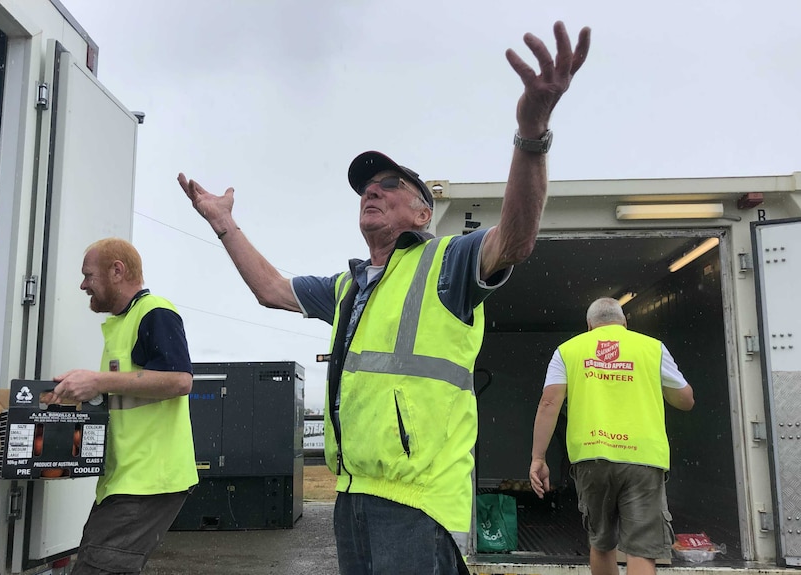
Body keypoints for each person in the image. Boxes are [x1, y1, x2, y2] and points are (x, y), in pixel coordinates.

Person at [178, 21, 590, 575]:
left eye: (389, 184)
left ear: (424, 213)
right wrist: (224, 224)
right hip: (352, 493)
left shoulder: (447, 261)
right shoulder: (349, 286)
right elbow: (271, 290)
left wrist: (532, 132)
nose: (372, 190)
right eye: (367, 187)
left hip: (417, 502)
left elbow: (514, 239)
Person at [47, 238, 198, 574]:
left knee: (97, 566)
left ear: (117, 271)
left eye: (88, 275)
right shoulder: (120, 325)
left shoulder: (155, 311)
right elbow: (129, 395)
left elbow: (180, 381)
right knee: (94, 558)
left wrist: (98, 381)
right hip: (127, 480)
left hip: (148, 481)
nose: (83, 284)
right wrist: (87, 391)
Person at [529, 297, 695, 575]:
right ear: (625, 322)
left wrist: (538, 458)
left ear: (589, 325)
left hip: (592, 457)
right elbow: (685, 400)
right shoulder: (651, 348)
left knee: (602, 543)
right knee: (642, 550)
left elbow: (549, 403)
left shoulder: (568, 350)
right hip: (642, 459)